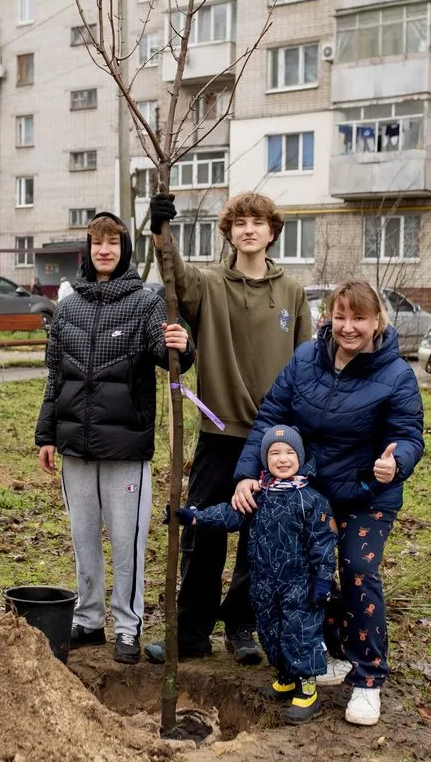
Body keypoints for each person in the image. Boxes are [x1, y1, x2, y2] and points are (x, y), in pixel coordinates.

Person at [231, 280, 424, 726]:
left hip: (366, 494)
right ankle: (325, 649)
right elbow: (271, 417)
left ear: (378, 322)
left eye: (359, 318)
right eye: (341, 316)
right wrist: (246, 475)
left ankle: (368, 678)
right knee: (301, 570)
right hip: (311, 494)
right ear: (329, 317)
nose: (348, 327)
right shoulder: (305, 360)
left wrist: (396, 465)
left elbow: (408, 436)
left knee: (357, 568)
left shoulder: (396, 375)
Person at [143, 192, 313, 667]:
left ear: (273, 231)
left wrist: (299, 432)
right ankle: (192, 631)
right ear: (229, 232)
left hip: (274, 439)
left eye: (258, 222)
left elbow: (306, 364)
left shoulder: (293, 293)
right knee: (203, 531)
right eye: (239, 222)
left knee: (260, 537)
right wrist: (161, 232)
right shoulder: (211, 284)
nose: (249, 230)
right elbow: (175, 276)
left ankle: (242, 627)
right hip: (220, 431)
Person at [35, 212, 194, 665]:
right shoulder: (67, 307)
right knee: (83, 536)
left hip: (126, 449)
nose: (105, 249)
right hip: (74, 447)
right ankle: (88, 619)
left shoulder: (146, 303)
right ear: (87, 249)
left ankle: (127, 626)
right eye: (97, 242)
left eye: (113, 242)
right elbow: (54, 378)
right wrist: (47, 433)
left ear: (125, 250)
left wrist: (180, 342)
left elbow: (171, 358)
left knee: (127, 540)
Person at [174, 425, 336, 725]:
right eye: (275, 453)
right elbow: (228, 514)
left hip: (299, 583)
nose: (283, 459)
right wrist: (195, 517)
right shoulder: (258, 495)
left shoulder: (311, 500)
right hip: (264, 581)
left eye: (290, 453)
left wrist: (323, 580)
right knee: (271, 631)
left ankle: (307, 689)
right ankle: (286, 677)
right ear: (265, 460)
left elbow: (323, 544)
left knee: (299, 633)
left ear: (300, 457)